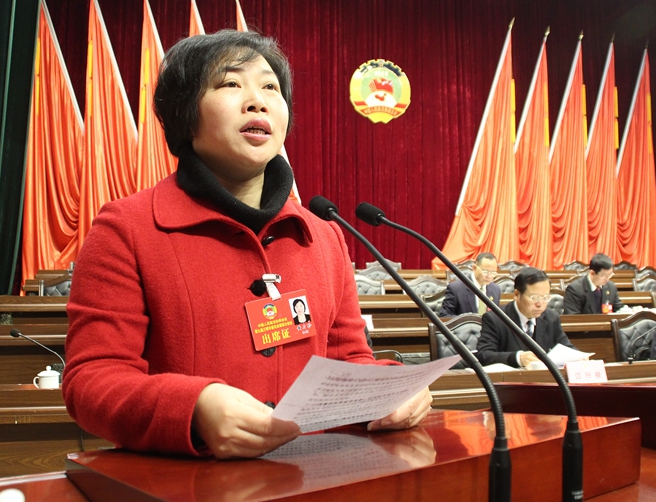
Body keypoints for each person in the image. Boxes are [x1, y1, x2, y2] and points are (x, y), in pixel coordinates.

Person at [62, 30, 431, 460]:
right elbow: (92, 379)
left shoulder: (323, 235)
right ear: (185, 114)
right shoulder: (127, 229)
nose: (258, 101)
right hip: (191, 482)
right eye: (231, 83)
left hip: (313, 477)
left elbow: (347, 360)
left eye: (270, 87)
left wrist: (391, 390)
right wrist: (194, 409)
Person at [477, 267, 578, 368]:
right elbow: (484, 355)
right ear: (517, 294)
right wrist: (518, 358)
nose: (540, 304)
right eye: (534, 298)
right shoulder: (495, 319)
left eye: (545, 297)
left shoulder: (551, 318)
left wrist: (579, 358)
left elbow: (567, 347)